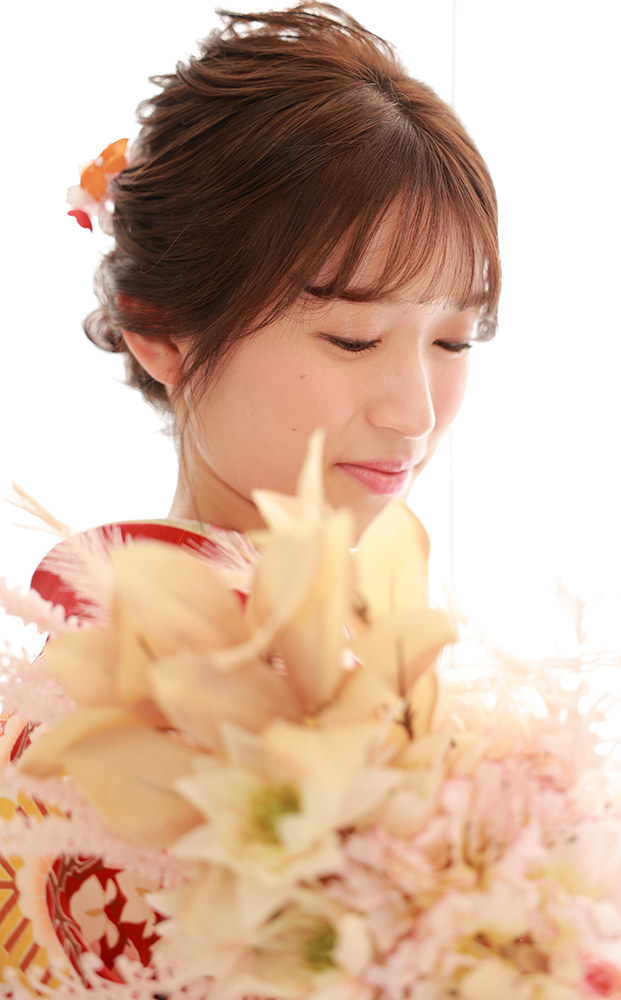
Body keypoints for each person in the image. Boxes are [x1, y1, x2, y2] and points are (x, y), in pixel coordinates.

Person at [0, 2, 500, 991]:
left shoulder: (310, 623)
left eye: (453, 340)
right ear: (159, 329)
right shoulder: (174, 672)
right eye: (352, 338)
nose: (413, 412)